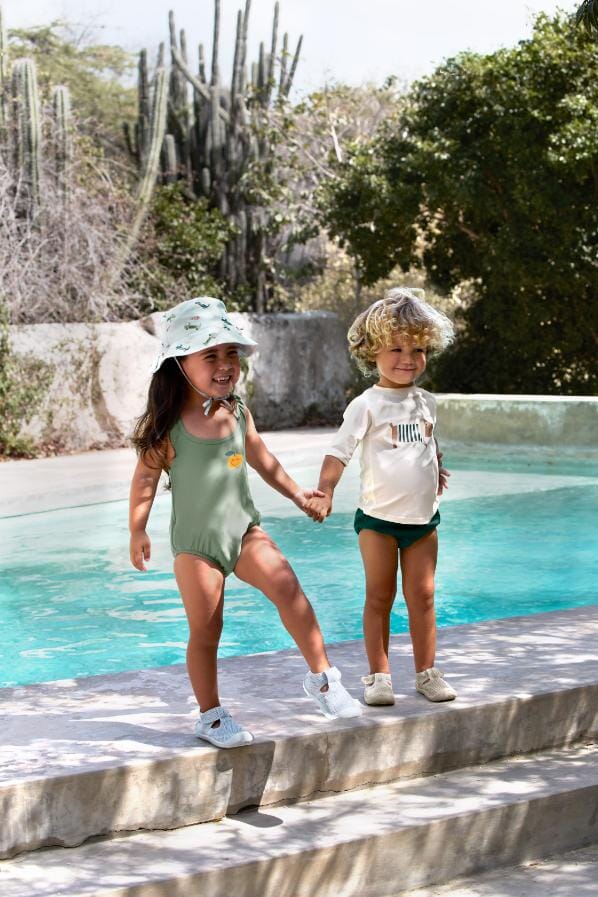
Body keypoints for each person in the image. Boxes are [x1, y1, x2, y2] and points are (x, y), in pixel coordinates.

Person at [129, 297, 361, 748]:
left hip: (245, 534)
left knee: (290, 591)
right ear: (180, 363)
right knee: (207, 629)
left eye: (230, 353)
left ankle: (323, 679)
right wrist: (137, 528)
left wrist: (298, 494)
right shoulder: (169, 428)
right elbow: (144, 480)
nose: (224, 365)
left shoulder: (237, 413)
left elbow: (262, 460)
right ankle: (211, 716)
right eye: (210, 355)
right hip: (197, 548)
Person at [305, 288, 457, 706]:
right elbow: (338, 452)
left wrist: (436, 468)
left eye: (418, 349)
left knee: (423, 597)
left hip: (423, 520)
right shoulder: (366, 404)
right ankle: (378, 677)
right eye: (396, 348)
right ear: (372, 351)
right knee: (379, 596)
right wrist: (326, 491)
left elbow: (427, 443)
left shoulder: (426, 402)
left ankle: (427, 674)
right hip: (378, 521)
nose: (408, 358)